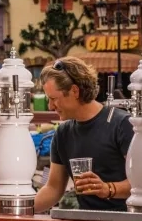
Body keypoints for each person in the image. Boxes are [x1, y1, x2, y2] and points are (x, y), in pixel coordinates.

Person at [32, 57, 134, 212]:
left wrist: (108, 189)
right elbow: (53, 189)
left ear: (74, 91)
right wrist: (13, 211)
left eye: (53, 99)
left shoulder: (122, 124)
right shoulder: (63, 133)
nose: (50, 106)